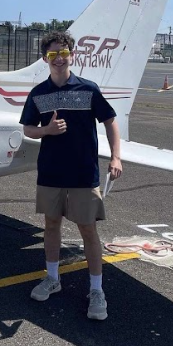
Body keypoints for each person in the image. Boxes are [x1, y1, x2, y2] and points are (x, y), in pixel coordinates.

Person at [19, 30, 122, 320]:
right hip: (51, 173)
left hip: (83, 173)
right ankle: (53, 278)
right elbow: (28, 129)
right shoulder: (39, 93)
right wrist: (47, 131)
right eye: (53, 55)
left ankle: (97, 290)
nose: (59, 59)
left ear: (72, 55)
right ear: (45, 59)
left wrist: (116, 156)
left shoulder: (88, 89)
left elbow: (110, 122)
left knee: (88, 229)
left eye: (64, 53)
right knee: (51, 226)